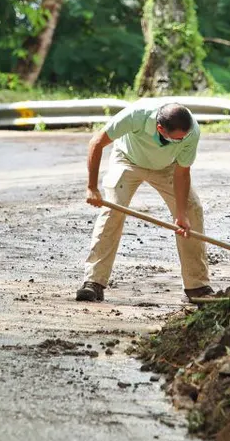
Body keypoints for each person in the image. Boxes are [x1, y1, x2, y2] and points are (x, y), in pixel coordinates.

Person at [79, 101, 213, 302]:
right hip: (127, 161)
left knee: (193, 210)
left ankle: (197, 287)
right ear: (160, 128)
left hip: (168, 167)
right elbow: (96, 142)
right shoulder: (136, 115)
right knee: (113, 210)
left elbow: (182, 173)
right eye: (176, 139)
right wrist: (92, 187)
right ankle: (93, 282)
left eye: (183, 138)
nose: (181, 141)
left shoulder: (191, 131)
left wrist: (181, 214)